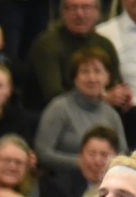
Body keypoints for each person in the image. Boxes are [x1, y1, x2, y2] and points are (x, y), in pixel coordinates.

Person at [37, 50, 129, 178]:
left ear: (107, 77)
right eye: (85, 72)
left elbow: (123, 155)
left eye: (97, 71)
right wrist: (81, 163)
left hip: (105, 181)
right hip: (64, 181)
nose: (91, 78)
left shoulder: (112, 114)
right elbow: (42, 153)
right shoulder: (59, 108)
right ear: (75, 78)